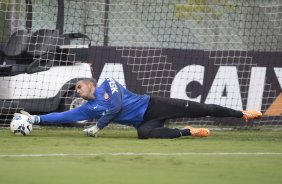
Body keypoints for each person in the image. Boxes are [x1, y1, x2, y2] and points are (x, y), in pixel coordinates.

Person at [17, 78, 262, 139]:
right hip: (144, 121)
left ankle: (242, 113)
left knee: (203, 107)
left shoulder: (108, 83)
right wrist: (36, 119)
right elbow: (64, 115)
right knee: (144, 133)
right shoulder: (89, 108)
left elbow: (116, 105)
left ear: (90, 84)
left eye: (79, 87)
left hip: (156, 105)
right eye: (76, 91)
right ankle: (188, 132)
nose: (77, 91)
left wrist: (99, 126)